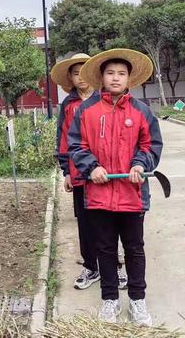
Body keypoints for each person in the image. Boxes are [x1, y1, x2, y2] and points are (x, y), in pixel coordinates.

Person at [68, 49, 163, 326]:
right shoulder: (86, 111)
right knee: (105, 249)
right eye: (110, 73)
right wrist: (92, 167)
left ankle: (137, 301)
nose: (116, 78)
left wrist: (139, 165)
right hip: (98, 195)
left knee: (134, 249)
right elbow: (77, 145)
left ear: (129, 78)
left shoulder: (142, 111)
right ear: (101, 77)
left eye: (121, 73)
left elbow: (150, 145)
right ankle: (109, 300)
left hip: (132, 195)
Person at [51, 53, 100, 289]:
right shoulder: (68, 105)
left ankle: (113, 265)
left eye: (84, 70)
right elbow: (62, 139)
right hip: (79, 173)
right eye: (75, 72)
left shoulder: (104, 99)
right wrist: (66, 171)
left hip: (103, 173)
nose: (80, 76)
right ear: (70, 77)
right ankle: (91, 266)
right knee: (85, 221)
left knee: (109, 221)